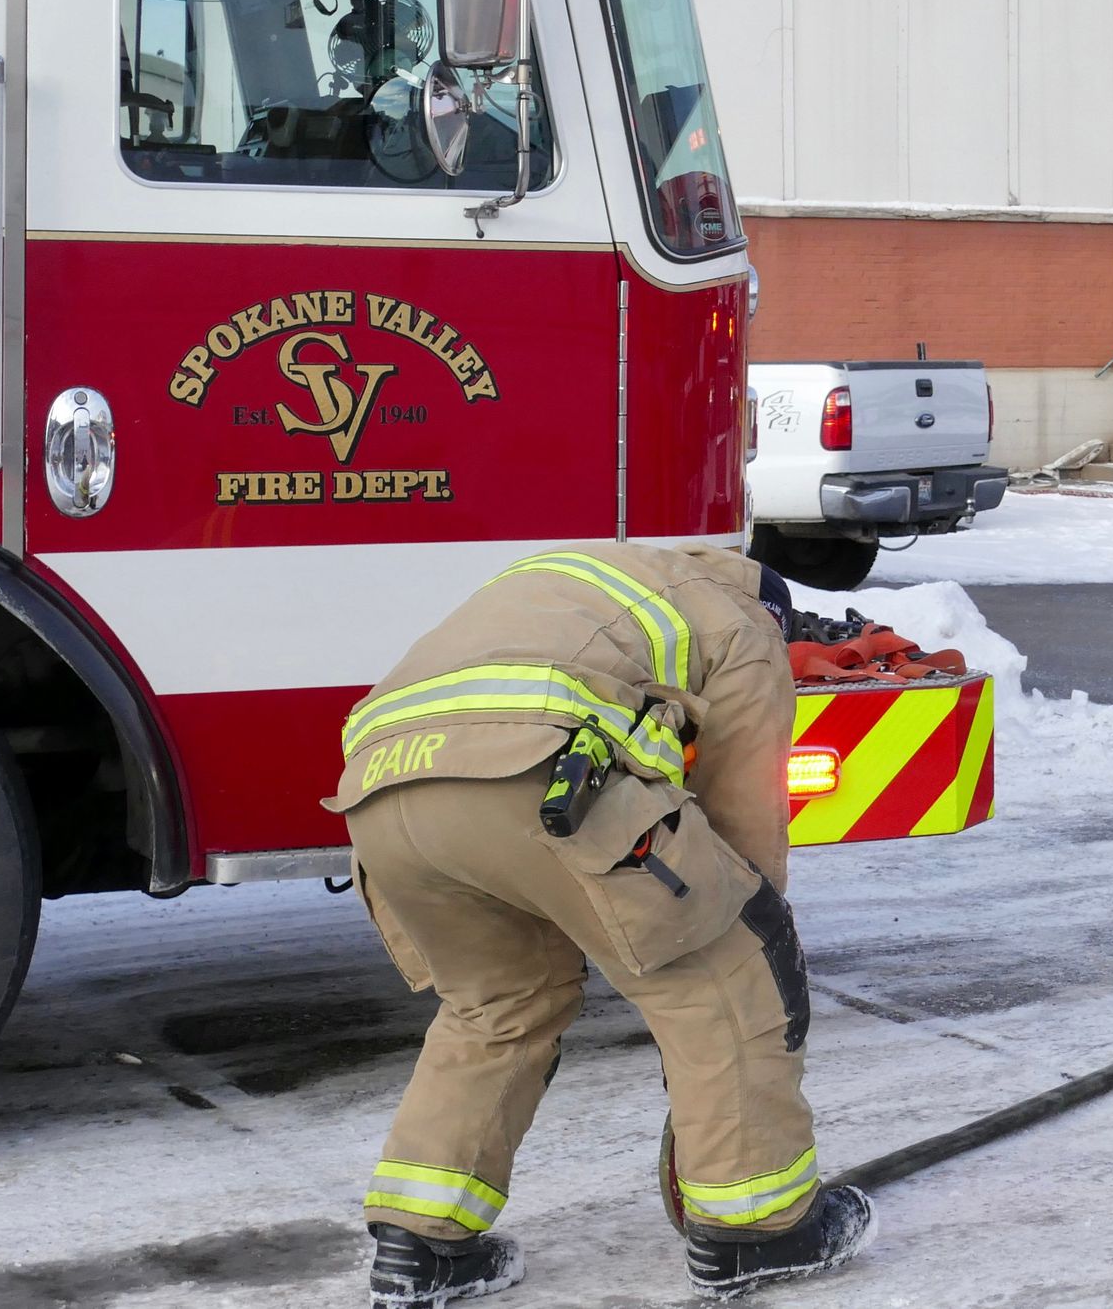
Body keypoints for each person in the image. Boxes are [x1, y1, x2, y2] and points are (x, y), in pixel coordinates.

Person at [327, 542, 872, 1307]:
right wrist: (748, 919)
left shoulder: (590, 580)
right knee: (727, 963)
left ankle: (420, 1245)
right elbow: (743, 819)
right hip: (532, 767)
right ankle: (757, 1231)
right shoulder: (744, 622)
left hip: (379, 791)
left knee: (499, 1003)